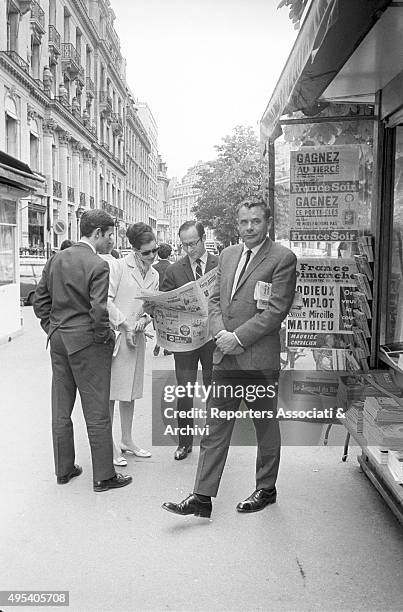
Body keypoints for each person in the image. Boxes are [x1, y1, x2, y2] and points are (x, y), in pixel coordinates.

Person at [162, 197, 297, 517]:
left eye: (255, 222)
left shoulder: (282, 258)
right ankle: (202, 496)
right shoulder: (228, 254)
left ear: (268, 224)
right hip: (225, 357)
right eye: (243, 222)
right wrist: (223, 335)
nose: (249, 228)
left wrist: (239, 338)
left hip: (257, 361)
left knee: (264, 425)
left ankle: (266, 489)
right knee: (214, 427)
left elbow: (276, 310)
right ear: (237, 225)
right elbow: (214, 301)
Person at [33, 209, 132, 493]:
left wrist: (52, 328)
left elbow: (40, 302)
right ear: (97, 232)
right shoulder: (97, 264)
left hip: (59, 340)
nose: (111, 239)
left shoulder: (55, 259)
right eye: (109, 234)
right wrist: (105, 339)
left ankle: (64, 470)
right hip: (87, 343)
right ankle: (104, 476)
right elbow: (99, 310)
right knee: (97, 408)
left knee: (61, 407)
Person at [161, 221, 218, 460]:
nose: (189, 250)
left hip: (213, 338)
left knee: (214, 389)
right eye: (184, 245)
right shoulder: (174, 270)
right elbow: (164, 300)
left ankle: (214, 439)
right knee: (184, 390)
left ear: (203, 239)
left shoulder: (221, 263)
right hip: (185, 341)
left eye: (193, 243)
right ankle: (184, 442)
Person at [107, 222, 159, 464]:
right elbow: (106, 302)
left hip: (136, 340)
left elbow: (150, 307)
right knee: (111, 394)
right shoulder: (118, 267)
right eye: (146, 252)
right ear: (134, 250)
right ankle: (109, 445)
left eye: (154, 250)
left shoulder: (155, 274)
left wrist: (145, 320)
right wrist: (125, 324)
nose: (151, 256)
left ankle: (127, 440)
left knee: (129, 394)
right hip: (116, 339)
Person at [152, 243, 173, 357]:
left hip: (156, 299)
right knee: (168, 323)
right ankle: (165, 347)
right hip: (169, 299)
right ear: (170, 254)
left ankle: (158, 342)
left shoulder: (153, 267)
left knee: (158, 323)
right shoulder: (173, 266)